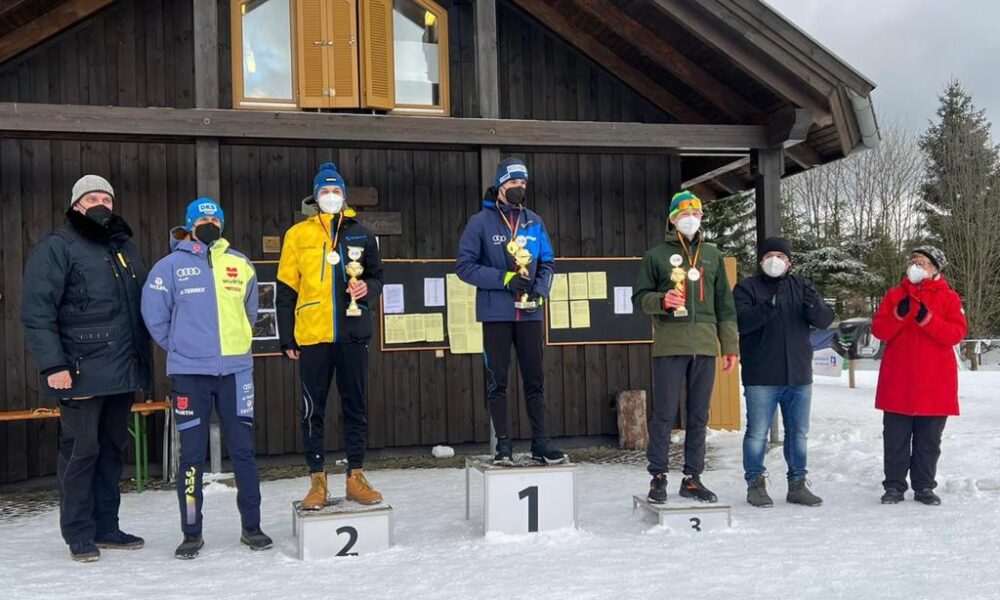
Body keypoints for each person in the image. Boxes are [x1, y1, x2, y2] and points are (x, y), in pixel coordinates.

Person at [21, 175, 151, 563]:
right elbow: (37, 311)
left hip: (122, 369)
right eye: (92, 197)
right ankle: (78, 532)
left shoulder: (124, 247)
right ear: (77, 205)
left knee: (112, 450)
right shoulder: (58, 246)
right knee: (81, 451)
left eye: (107, 198)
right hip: (78, 371)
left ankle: (106, 527)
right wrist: (54, 365)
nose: (101, 204)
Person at [141, 198, 271, 559]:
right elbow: (155, 318)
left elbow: (250, 311)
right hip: (189, 375)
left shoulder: (240, 263)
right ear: (189, 224)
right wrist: (182, 349)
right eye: (202, 217)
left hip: (236, 372)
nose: (209, 221)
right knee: (192, 456)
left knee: (243, 452)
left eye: (215, 216)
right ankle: (192, 532)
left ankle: (252, 527)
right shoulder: (168, 267)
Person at [277, 162, 384, 509]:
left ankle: (356, 476)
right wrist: (286, 338)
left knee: (356, 406)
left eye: (336, 191)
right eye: (325, 191)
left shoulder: (361, 234)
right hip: (312, 335)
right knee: (313, 410)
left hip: (353, 333)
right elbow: (285, 290)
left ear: (344, 195)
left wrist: (368, 286)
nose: (331, 196)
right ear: (315, 196)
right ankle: (317, 481)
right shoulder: (297, 235)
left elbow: (378, 276)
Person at [456, 158, 564, 466]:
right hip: (496, 314)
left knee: (535, 379)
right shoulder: (480, 222)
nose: (520, 188)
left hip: (530, 313)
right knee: (497, 380)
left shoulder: (534, 222)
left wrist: (539, 290)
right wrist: (504, 279)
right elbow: (464, 266)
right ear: (501, 185)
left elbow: (547, 262)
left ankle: (541, 442)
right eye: (514, 183)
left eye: (524, 184)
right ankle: (503, 444)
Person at [633, 190, 738, 504]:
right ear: (673, 218)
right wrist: (662, 300)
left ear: (702, 218)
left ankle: (693, 477)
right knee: (664, 414)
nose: (690, 219)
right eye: (683, 214)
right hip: (670, 343)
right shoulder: (656, 256)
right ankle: (658, 476)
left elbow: (726, 305)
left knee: (698, 416)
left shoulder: (713, 255)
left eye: (696, 214)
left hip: (705, 344)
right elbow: (640, 298)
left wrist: (729, 345)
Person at [734, 237, 835, 508]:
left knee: (798, 433)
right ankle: (755, 483)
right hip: (761, 376)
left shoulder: (802, 286)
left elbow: (825, 320)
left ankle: (797, 485)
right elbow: (742, 322)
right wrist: (769, 305)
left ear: (790, 261)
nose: (775, 260)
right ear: (761, 260)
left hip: (799, 376)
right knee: (757, 434)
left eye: (781, 255)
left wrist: (813, 304)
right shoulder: (747, 288)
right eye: (770, 255)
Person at [871, 247, 966, 506]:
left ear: (935, 268)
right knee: (895, 440)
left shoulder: (950, 298)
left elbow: (955, 334)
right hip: (898, 382)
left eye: (921, 262)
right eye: (912, 262)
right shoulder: (894, 296)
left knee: (928, 441)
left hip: (935, 385)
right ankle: (894, 486)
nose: (915, 266)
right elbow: (880, 330)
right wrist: (898, 316)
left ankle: (924, 486)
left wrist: (928, 319)